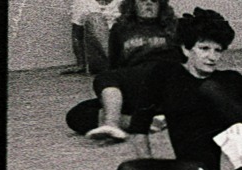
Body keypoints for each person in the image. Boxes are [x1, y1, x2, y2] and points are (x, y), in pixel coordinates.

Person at [115, 8, 242, 170]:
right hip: (195, 169)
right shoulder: (164, 76)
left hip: (237, 161)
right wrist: (148, 163)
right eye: (204, 48)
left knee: (212, 88)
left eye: (218, 50)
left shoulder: (232, 80)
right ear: (186, 49)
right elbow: (140, 127)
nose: (212, 57)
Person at [66, 0, 180, 142]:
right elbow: (116, 64)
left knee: (106, 78)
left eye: (154, 0)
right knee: (77, 115)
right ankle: (148, 121)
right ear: (133, 4)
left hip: (164, 87)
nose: (149, 3)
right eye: (143, 0)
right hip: (135, 89)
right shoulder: (120, 29)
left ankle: (112, 123)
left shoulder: (174, 26)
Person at [71, 0, 122, 75]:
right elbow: (77, 35)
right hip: (101, 54)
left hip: (125, 48)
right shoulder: (82, 2)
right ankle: (118, 64)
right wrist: (81, 63)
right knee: (94, 18)